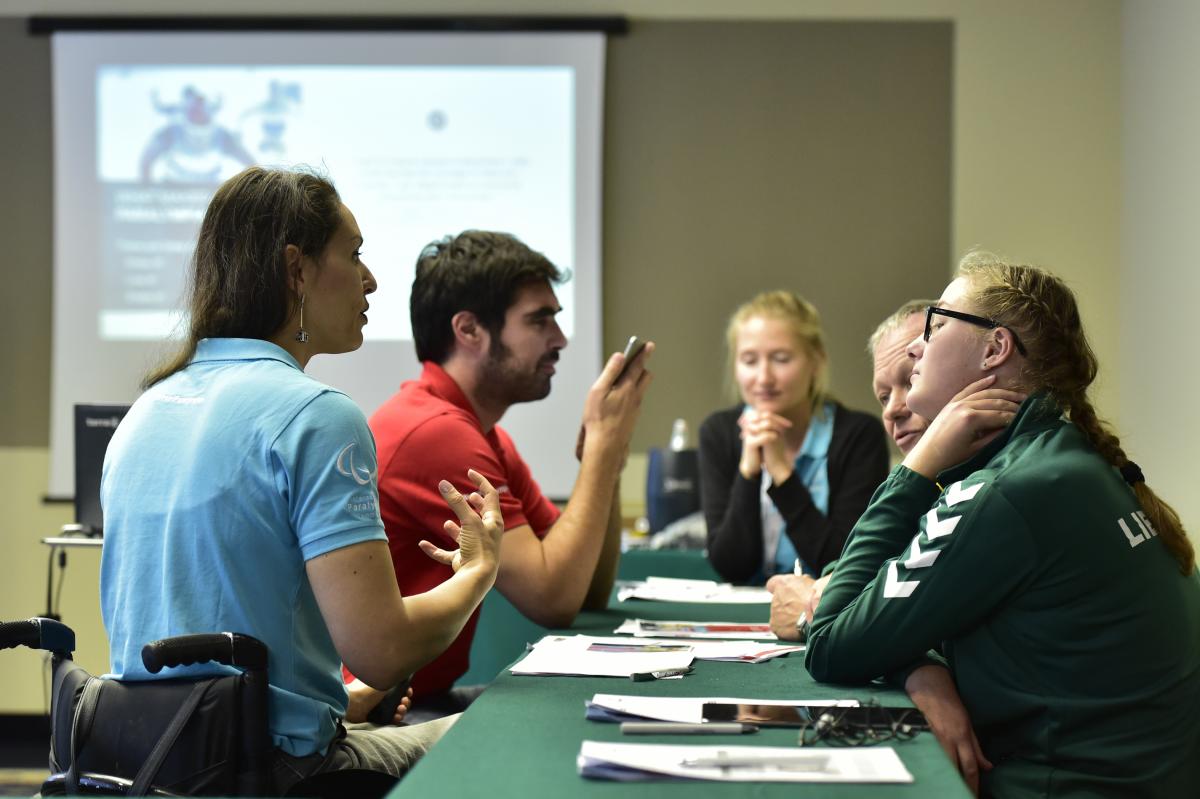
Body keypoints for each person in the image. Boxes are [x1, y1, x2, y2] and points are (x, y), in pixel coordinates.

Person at [100, 166, 505, 793]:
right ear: (297, 270)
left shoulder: (145, 411)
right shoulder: (319, 416)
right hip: (274, 773)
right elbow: (383, 650)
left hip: (158, 764)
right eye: (355, 255)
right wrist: (477, 574)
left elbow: (204, 647)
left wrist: (334, 701)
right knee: (509, 725)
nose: (371, 280)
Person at [806, 253, 1200, 797]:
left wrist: (916, 470)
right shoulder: (1061, 463)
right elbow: (916, 605)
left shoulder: (1008, 491)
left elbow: (829, 643)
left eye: (937, 326)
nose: (918, 345)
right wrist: (920, 667)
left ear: (994, 348)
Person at [368, 230, 652, 711]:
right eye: (540, 321)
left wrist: (608, 459)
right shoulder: (434, 432)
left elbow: (588, 590)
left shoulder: (482, 435)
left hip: (425, 697)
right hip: (384, 711)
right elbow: (554, 598)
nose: (560, 340)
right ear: (470, 331)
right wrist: (601, 447)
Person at [767, 298, 934, 638]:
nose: (892, 411)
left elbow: (921, 622)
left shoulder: (988, 483)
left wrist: (813, 614)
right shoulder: (926, 483)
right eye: (883, 397)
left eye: (913, 379)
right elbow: (853, 567)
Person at [700, 290, 889, 583]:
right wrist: (749, 473)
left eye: (781, 359)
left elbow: (842, 563)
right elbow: (731, 566)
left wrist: (782, 475)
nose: (763, 378)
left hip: (823, 612)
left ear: (815, 361)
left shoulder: (858, 435)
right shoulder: (719, 432)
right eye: (749, 361)